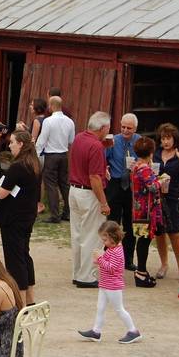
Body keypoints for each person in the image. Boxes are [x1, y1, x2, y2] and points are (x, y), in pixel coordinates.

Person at [0, 130, 41, 304]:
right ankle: (30, 298)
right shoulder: (33, 163)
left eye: (12, 142)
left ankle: (21, 301)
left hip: (13, 217)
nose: (9, 145)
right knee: (24, 254)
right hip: (27, 215)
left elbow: (1, 193)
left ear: (21, 144)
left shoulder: (18, 166)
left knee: (15, 259)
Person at [76, 221, 142, 344]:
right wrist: (99, 259)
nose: (103, 242)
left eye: (105, 239)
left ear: (113, 237)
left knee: (119, 309)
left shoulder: (118, 251)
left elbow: (112, 267)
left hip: (113, 286)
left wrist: (100, 259)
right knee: (100, 308)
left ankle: (133, 331)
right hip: (105, 285)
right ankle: (96, 331)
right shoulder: (111, 249)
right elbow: (106, 261)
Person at [68, 112, 112, 287]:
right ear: (102, 128)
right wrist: (103, 202)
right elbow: (94, 178)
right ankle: (87, 276)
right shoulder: (96, 146)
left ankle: (77, 272)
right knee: (92, 236)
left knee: (77, 234)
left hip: (74, 190)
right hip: (88, 193)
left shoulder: (80, 138)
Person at [152, 123, 179, 280]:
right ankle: (164, 264)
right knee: (159, 232)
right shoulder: (156, 153)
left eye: (168, 138)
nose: (165, 142)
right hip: (157, 196)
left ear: (175, 139)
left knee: (174, 233)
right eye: (163, 138)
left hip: (174, 196)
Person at [129, 136, 165, 288]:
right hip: (146, 211)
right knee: (144, 240)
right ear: (151, 152)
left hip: (139, 209)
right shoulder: (144, 168)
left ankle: (141, 272)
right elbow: (152, 186)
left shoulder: (136, 166)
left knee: (143, 240)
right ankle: (141, 273)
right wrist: (162, 180)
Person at [104, 113, 138, 270]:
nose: (125, 130)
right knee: (113, 222)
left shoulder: (139, 141)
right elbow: (104, 158)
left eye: (129, 128)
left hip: (132, 185)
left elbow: (146, 160)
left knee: (130, 224)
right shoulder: (112, 140)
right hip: (115, 184)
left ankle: (128, 258)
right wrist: (105, 168)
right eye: (123, 127)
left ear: (135, 128)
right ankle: (109, 256)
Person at [36, 96, 76, 223]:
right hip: (64, 154)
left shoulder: (48, 121)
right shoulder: (70, 121)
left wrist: (37, 154)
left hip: (51, 155)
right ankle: (67, 212)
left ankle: (54, 214)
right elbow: (71, 140)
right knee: (64, 184)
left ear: (52, 106)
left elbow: (42, 140)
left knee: (51, 185)